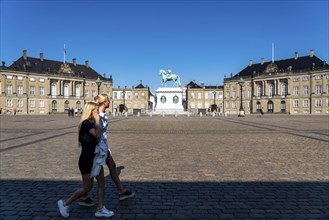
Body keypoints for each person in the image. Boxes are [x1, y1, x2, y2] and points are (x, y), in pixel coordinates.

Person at [57, 102, 114, 218]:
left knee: (102, 182)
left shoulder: (91, 123)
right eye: (96, 110)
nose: (98, 112)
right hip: (87, 160)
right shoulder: (86, 124)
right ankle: (65, 203)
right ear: (91, 111)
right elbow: (97, 135)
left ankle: (101, 208)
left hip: (95, 158)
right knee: (87, 188)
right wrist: (98, 120)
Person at [80, 94, 135, 205]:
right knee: (93, 172)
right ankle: (84, 196)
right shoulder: (96, 115)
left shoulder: (103, 114)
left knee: (112, 166)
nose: (110, 101)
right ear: (104, 102)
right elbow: (96, 133)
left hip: (104, 145)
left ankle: (120, 190)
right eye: (108, 100)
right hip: (98, 146)